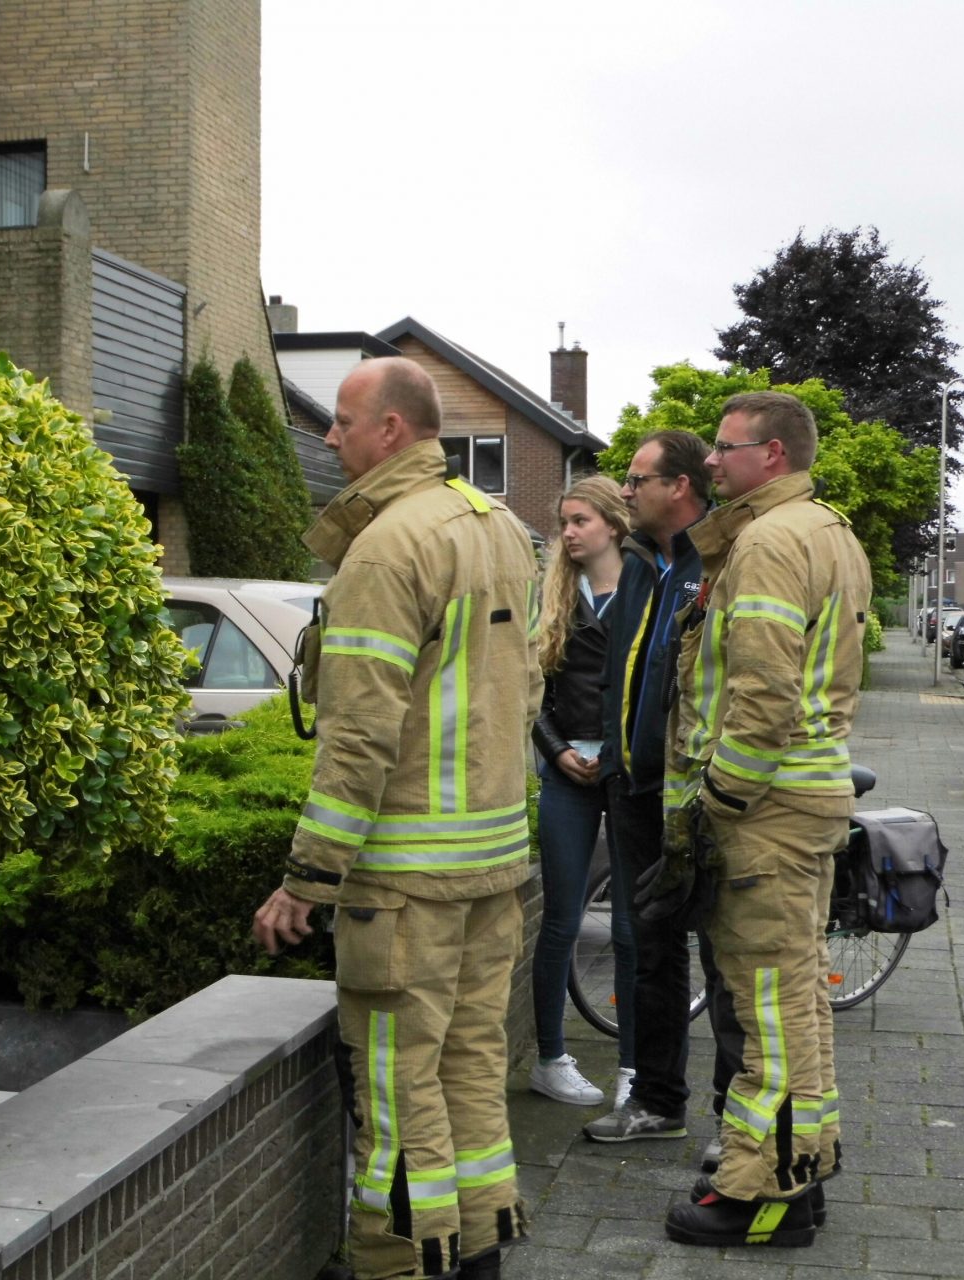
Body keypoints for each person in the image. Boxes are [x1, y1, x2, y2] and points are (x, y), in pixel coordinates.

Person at [252, 356, 540, 1280]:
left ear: (392, 430)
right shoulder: (500, 526)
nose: (328, 435)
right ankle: (478, 1249)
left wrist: (307, 878)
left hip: (406, 881)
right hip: (494, 865)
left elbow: (359, 736)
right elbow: (523, 688)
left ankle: (403, 1262)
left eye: (342, 421)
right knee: (472, 1067)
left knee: (399, 1084)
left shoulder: (386, 548)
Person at [658, 392, 871, 1249]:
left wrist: (718, 802)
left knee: (768, 1013)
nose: (711, 460)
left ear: (773, 455)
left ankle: (761, 1197)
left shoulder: (770, 541)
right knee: (799, 999)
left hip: (767, 810)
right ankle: (801, 1166)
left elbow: (764, 693)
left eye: (726, 446)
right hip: (807, 799)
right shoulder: (828, 530)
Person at [580, 431, 715, 1146]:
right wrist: (613, 762)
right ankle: (659, 1103)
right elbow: (617, 672)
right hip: (633, 788)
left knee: (724, 953)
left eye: (637, 480)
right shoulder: (638, 561)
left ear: (680, 487)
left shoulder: (718, 561)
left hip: (699, 796)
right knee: (650, 949)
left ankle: (739, 1123)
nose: (625, 492)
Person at [527, 475, 635, 1108]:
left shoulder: (646, 590)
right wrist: (557, 751)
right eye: (563, 522)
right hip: (566, 772)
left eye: (580, 521)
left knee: (629, 924)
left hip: (625, 772)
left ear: (613, 525)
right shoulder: (554, 598)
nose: (567, 533)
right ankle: (550, 1059)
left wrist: (617, 754)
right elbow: (532, 695)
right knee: (561, 920)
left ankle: (632, 1067)